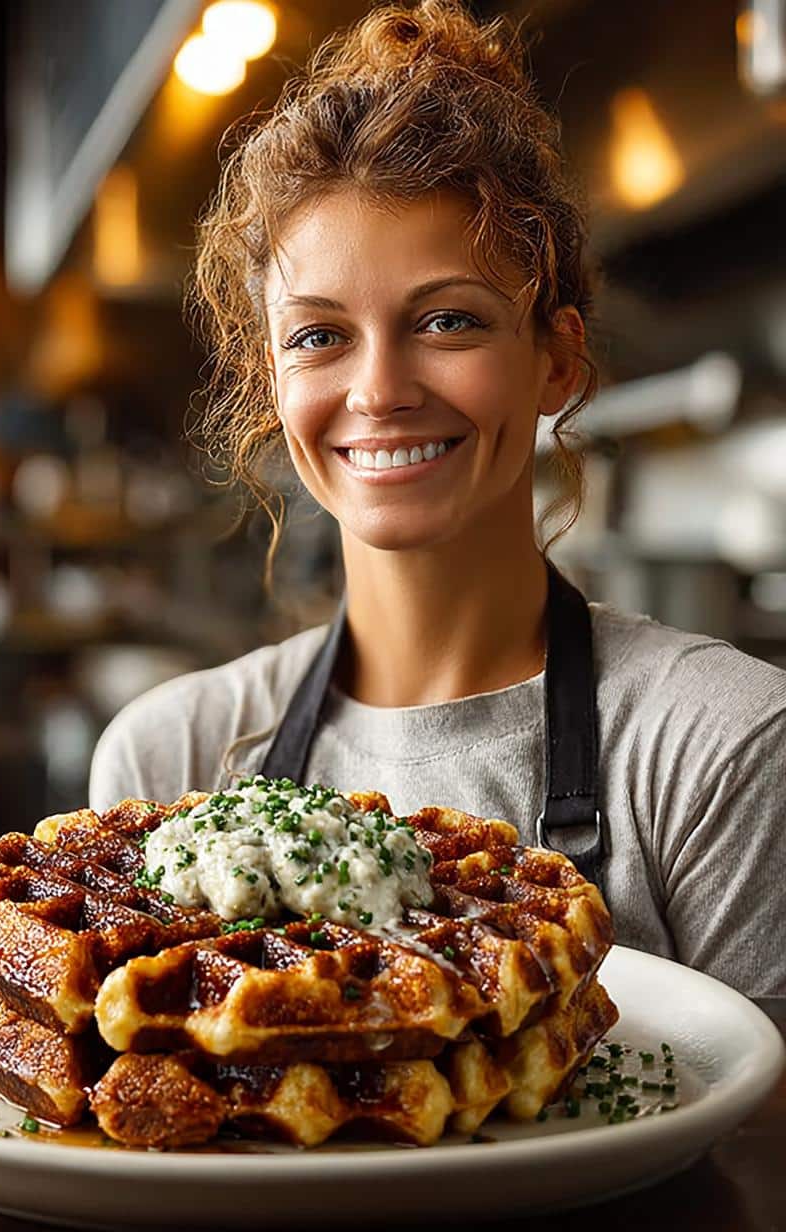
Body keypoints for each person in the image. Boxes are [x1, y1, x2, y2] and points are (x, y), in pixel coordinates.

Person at [89, 0, 786, 998]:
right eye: (319, 336)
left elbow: (759, 1152)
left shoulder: (717, 749)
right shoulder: (172, 756)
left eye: (446, 319)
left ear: (554, 359)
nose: (379, 390)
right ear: (270, 382)